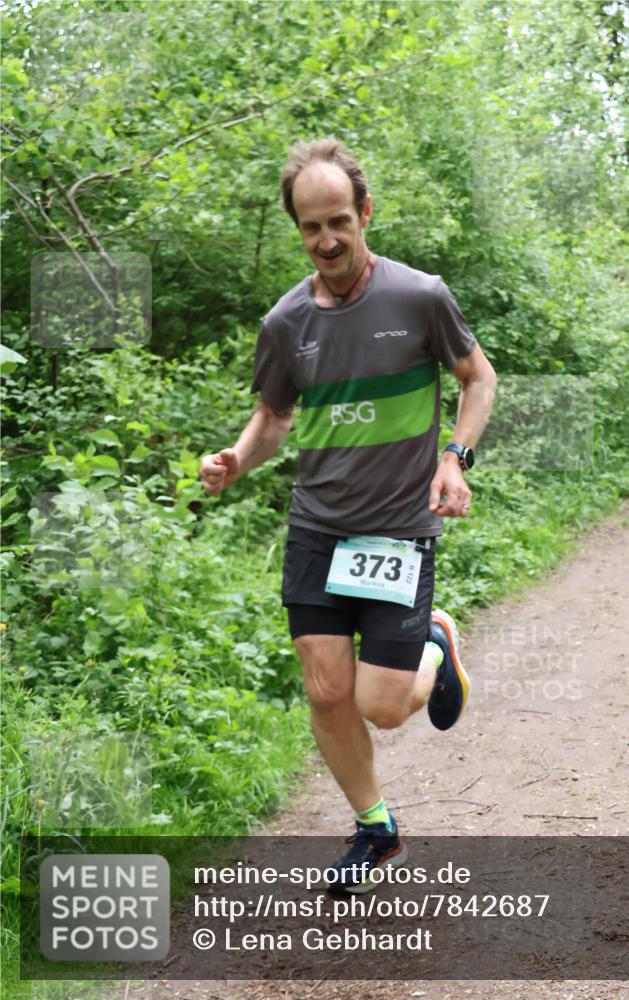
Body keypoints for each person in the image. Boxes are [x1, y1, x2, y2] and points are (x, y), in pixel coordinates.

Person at [200, 137, 496, 893]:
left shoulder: (419, 297)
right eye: (310, 227)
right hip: (316, 528)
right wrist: (236, 459)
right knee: (325, 691)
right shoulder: (286, 322)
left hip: (397, 528)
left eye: (339, 221)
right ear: (297, 229)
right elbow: (271, 416)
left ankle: (434, 642)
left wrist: (452, 457)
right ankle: (375, 828)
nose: (327, 239)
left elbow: (476, 377)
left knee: (383, 707)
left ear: (364, 214)